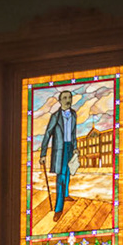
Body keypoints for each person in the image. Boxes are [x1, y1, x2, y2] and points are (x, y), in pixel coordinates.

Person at [39, 88, 79, 218]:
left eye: (70, 98)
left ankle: (66, 195)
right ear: (60, 101)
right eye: (65, 98)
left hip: (69, 148)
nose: (68, 100)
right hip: (59, 150)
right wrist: (43, 153)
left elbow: (73, 133)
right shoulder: (55, 116)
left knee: (68, 172)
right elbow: (47, 134)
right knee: (60, 177)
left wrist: (75, 147)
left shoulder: (73, 114)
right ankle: (58, 209)